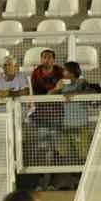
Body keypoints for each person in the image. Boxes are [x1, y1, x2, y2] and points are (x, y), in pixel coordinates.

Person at [57, 61, 101, 175]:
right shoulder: (62, 84)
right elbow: (51, 96)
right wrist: (57, 88)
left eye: (65, 70)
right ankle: (68, 177)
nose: (63, 72)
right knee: (64, 153)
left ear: (72, 72)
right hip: (66, 125)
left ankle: (83, 176)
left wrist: (74, 93)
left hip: (81, 125)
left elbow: (92, 92)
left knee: (83, 154)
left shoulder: (82, 82)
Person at [30, 49, 63, 183]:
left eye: (49, 57)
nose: (46, 59)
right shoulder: (36, 73)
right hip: (42, 114)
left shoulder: (60, 72)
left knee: (54, 147)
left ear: (53, 60)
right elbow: (38, 94)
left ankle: (51, 181)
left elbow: (64, 89)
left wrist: (54, 91)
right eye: (44, 57)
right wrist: (54, 90)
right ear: (41, 59)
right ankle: (41, 180)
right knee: (42, 146)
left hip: (57, 114)